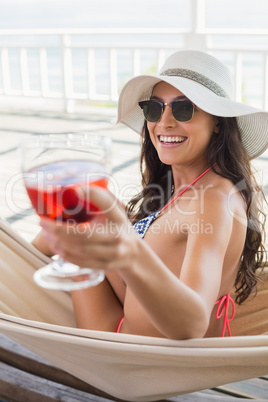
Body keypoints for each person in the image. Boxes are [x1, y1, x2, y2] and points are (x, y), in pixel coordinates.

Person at [32, 50, 268, 340]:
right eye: (155, 109)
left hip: (129, 349)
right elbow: (163, 257)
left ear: (217, 121)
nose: (164, 122)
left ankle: (23, 262)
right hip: (132, 318)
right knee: (89, 212)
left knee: (77, 222)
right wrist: (114, 224)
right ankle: (25, 257)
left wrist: (127, 248)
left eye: (184, 109)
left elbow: (193, 324)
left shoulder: (213, 200)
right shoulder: (190, 184)